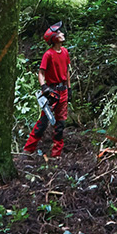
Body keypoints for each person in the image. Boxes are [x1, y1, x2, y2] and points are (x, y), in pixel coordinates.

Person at [23, 23, 71, 158]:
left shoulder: (65, 52)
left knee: (61, 123)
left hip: (63, 91)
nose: (62, 34)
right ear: (54, 38)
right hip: (52, 92)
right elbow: (41, 73)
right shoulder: (48, 55)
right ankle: (28, 149)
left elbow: (67, 71)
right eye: (59, 33)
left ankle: (56, 154)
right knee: (43, 122)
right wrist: (44, 87)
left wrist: (69, 88)